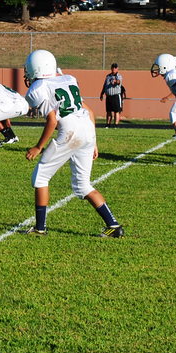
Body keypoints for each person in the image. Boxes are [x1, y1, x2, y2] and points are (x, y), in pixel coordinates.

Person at [22, 49, 124, 237]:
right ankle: (114, 226)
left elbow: (52, 120)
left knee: (40, 178)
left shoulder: (38, 89)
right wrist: (93, 143)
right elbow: (90, 112)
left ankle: (40, 228)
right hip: (86, 128)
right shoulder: (67, 78)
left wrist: (38, 146)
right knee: (83, 185)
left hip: (70, 131)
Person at [98, 63, 124, 127]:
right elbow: (105, 85)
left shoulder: (118, 76)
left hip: (115, 95)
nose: (114, 69)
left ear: (117, 68)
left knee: (116, 111)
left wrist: (116, 81)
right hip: (108, 96)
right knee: (108, 111)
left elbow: (119, 81)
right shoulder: (108, 76)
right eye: (113, 67)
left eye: (115, 68)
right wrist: (102, 93)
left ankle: (116, 124)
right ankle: (108, 124)